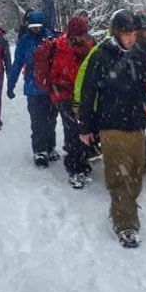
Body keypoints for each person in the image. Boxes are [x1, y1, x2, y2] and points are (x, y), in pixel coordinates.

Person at [77, 10, 146, 248]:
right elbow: (88, 92)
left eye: (134, 33)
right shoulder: (101, 55)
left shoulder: (139, 53)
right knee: (119, 175)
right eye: (127, 34)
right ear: (116, 32)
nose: (131, 38)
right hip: (111, 124)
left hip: (136, 123)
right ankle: (126, 225)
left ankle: (123, 209)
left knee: (135, 173)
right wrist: (85, 126)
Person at [48, 16, 96, 188]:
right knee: (72, 131)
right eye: (81, 34)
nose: (84, 37)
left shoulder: (90, 44)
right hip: (65, 96)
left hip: (84, 95)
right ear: (72, 34)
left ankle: (83, 159)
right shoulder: (60, 48)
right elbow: (56, 74)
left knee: (85, 128)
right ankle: (75, 168)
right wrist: (64, 92)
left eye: (85, 33)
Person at [7, 10, 58, 167]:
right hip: (34, 88)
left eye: (38, 26)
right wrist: (11, 84)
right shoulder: (24, 41)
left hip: (50, 86)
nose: (36, 29)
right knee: (38, 120)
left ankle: (50, 147)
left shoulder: (51, 37)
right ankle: (40, 150)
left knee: (51, 119)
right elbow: (17, 64)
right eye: (33, 26)